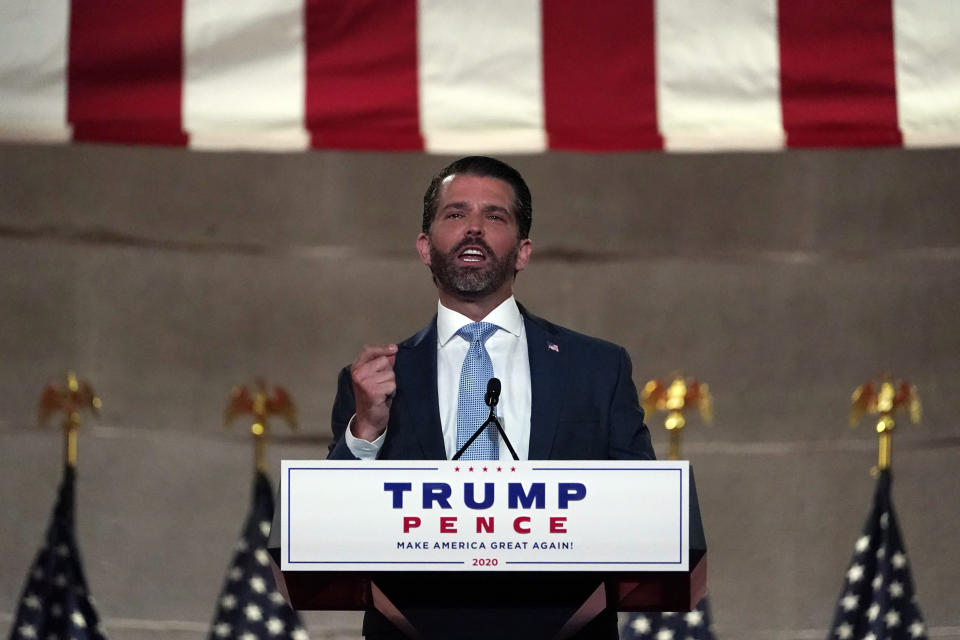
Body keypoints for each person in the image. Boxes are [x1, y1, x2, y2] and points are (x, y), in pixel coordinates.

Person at [327, 156, 655, 639]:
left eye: (494, 216)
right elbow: (331, 529)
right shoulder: (372, 381)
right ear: (424, 247)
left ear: (522, 252)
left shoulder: (597, 369)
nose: (474, 229)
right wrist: (366, 431)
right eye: (456, 214)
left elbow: (643, 514)